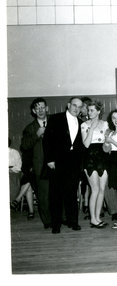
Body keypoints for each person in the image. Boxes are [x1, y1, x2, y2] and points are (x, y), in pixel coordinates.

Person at [43, 97, 85, 233]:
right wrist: (50, 160)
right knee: (56, 194)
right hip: (57, 161)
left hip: (73, 163)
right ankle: (56, 224)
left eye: (79, 107)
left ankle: (73, 221)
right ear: (68, 105)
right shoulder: (55, 119)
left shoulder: (81, 122)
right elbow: (47, 141)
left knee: (72, 194)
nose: (76, 109)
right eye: (74, 105)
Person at [19, 97, 51, 227]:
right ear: (33, 111)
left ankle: (59, 219)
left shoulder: (55, 123)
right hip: (40, 166)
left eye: (42, 107)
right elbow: (25, 146)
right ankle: (47, 221)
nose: (40, 110)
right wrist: (37, 134)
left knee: (57, 193)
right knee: (43, 196)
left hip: (56, 165)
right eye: (37, 108)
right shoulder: (30, 128)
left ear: (47, 108)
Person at [81, 100, 109, 228]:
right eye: (89, 110)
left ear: (98, 111)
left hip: (102, 157)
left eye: (92, 110)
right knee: (95, 189)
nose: (89, 112)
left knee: (102, 189)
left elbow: (107, 142)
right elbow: (86, 144)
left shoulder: (105, 124)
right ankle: (93, 219)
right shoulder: (84, 125)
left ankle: (97, 217)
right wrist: (91, 128)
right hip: (90, 157)